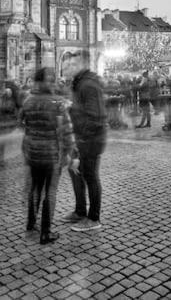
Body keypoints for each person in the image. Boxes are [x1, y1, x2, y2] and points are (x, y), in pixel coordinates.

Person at [19, 67, 77, 245]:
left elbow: (21, 123)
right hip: (51, 154)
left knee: (35, 188)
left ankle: (30, 223)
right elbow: (66, 131)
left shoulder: (28, 100)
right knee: (50, 192)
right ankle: (46, 232)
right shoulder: (57, 103)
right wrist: (72, 152)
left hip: (32, 152)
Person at [62, 53, 107, 232]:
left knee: (90, 176)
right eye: (66, 65)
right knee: (75, 173)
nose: (67, 68)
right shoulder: (78, 83)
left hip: (90, 139)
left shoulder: (88, 85)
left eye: (72, 65)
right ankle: (80, 211)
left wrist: (82, 140)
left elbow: (95, 116)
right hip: (80, 137)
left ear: (81, 66)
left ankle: (93, 218)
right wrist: (71, 108)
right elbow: (82, 110)